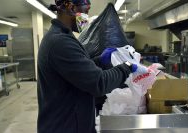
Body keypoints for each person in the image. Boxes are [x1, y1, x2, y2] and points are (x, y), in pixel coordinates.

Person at [37, 0, 143, 133]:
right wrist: (127, 67)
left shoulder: (61, 37)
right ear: (71, 7)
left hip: (69, 122)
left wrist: (100, 61)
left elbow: (76, 73)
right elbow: (99, 83)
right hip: (65, 126)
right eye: (86, 11)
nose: (87, 18)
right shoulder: (60, 42)